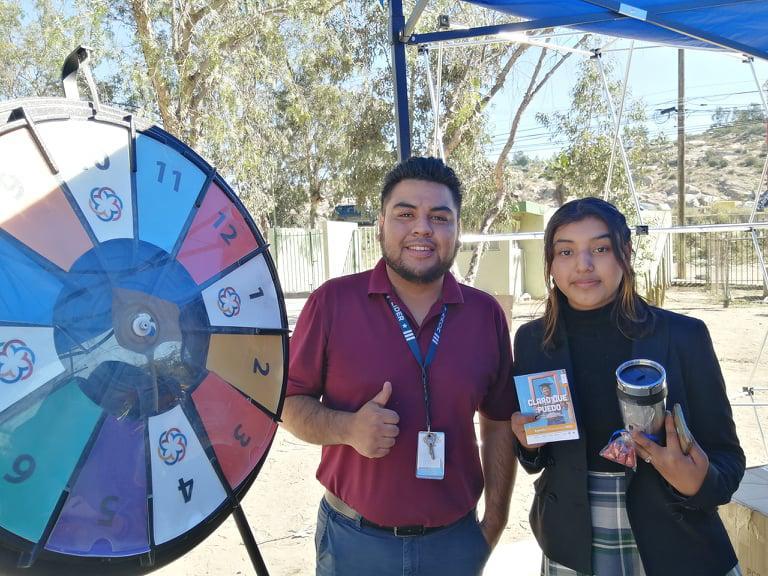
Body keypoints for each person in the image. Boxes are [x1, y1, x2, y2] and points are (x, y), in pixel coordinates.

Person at [282, 156, 517, 576]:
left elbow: (498, 421)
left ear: (457, 231)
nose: (422, 228)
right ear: (380, 225)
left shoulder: (486, 314)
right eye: (405, 213)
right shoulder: (332, 303)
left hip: (455, 546)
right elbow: (289, 403)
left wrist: (493, 523)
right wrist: (347, 429)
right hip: (354, 545)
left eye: (439, 217)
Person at [510, 197, 745, 576]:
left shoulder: (683, 336)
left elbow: (728, 460)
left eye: (600, 249)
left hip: (678, 539)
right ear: (551, 263)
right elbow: (538, 461)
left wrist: (696, 481)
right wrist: (528, 444)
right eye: (566, 251)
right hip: (573, 542)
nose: (583, 265)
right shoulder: (533, 341)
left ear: (626, 253)